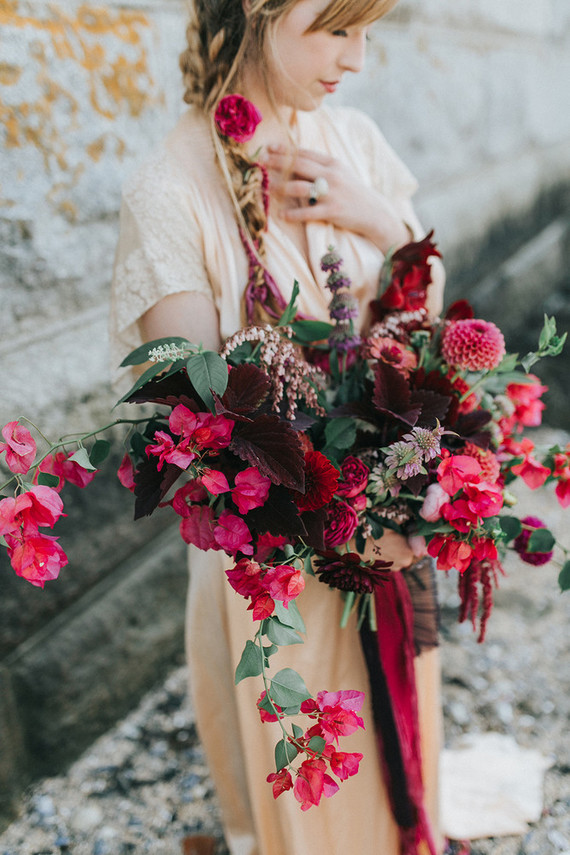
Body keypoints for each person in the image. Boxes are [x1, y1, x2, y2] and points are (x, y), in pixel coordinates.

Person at [110, 1, 446, 853]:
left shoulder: (356, 141)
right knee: (317, 793)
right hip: (275, 574)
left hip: (389, 546)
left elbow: (428, 321)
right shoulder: (170, 195)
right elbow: (203, 442)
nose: (359, 59)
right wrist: (350, 507)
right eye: (337, 28)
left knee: (406, 766)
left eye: (369, 30)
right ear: (256, 13)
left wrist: (384, 222)